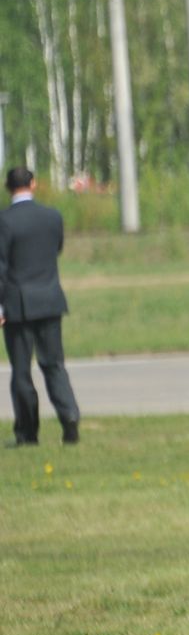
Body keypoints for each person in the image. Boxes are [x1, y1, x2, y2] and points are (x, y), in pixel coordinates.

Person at [0, 166, 82, 446]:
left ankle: (28, 431)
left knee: (22, 371)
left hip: (18, 304)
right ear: (33, 184)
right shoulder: (52, 217)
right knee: (54, 365)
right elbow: (56, 248)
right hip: (49, 299)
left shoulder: (5, 221)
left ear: (7, 187)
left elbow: (1, 267)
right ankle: (69, 416)